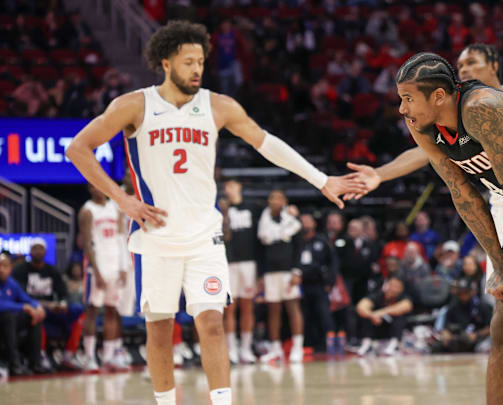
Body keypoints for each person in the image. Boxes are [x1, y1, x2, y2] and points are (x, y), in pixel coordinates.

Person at [65, 21, 363, 405]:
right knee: (159, 330)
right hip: (156, 237)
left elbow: (266, 143)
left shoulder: (218, 105)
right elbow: (78, 149)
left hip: (205, 236)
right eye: (188, 61)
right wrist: (122, 200)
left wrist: (321, 180)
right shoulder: (134, 105)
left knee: (212, 323)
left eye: (201, 62)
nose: (197, 69)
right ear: (165, 63)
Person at [343, 43, 503, 405]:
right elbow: (432, 156)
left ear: (494, 64)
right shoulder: (443, 117)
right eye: (458, 63)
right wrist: (380, 175)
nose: (464, 67)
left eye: (472, 60)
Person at [79, 183, 130, 371]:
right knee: (93, 310)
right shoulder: (87, 211)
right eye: (95, 187)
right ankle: (89, 357)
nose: (99, 189)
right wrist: (96, 270)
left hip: (115, 266)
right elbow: (87, 244)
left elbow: (121, 238)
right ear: (91, 189)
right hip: (98, 268)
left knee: (112, 311)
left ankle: (108, 357)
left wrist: (124, 266)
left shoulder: (114, 208)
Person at [12, 238, 81, 374]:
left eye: (40, 248)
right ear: (30, 251)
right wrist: (44, 304)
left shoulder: (52, 271)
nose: (38, 251)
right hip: (33, 308)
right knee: (39, 312)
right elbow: (20, 295)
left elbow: (63, 293)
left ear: (45, 251)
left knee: (78, 310)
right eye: (35, 248)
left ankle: (69, 355)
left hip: (53, 309)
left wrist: (63, 304)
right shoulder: (20, 270)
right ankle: (41, 354)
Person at [256, 190, 304, 363]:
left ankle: (298, 347)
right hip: (270, 272)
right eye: (272, 198)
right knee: (273, 311)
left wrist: (297, 271)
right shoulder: (262, 221)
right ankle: (276, 349)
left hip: (288, 271)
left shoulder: (293, 222)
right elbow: (260, 250)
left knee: (293, 308)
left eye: (278, 198)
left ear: (284, 201)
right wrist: (260, 275)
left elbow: (299, 247)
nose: (275, 201)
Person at [220, 179, 261, 364]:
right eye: (227, 187)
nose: (230, 189)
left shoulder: (253, 208)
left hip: (249, 263)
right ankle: (231, 349)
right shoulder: (221, 210)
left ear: (240, 187)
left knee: (247, 307)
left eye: (233, 185)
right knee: (229, 308)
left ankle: (246, 348)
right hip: (228, 262)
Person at [0, 252, 47, 376]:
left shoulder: (11, 284)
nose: (1, 270)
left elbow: (26, 299)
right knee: (8, 317)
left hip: (11, 321)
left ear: (10, 268)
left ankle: (35, 362)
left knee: (33, 316)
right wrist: (23, 307)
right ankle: (14, 364)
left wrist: (37, 306)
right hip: (4, 320)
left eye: (5, 266)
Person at [298, 213, 337, 353]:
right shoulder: (298, 241)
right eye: (302, 221)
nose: (305, 224)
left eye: (308, 220)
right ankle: (308, 344)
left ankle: (329, 343)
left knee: (323, 314)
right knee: (305, 315)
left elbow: (333, 262)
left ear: (314, 223)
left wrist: (330, 282)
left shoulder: (322, 240)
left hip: (320, 284)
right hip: (302, 285)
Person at [355, 276, 413, 356]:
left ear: (401, 289)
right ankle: (367, 344)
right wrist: (372, 315)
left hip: (395, 330)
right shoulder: (377, 295)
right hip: (377, 327)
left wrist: (379, 313)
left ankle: (395, 345)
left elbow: (405, 306)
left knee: (399, 316)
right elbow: (361, 307)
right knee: (365, 316)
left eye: (396, 286)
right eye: (391, 285)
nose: (393, 289)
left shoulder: (404, 297)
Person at [432, 277, 492, 353]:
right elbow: (445, 327)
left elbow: (491, 328)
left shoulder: (483, 306)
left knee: (482, 348)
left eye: (465, 292)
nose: (463, 295)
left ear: (472, 292)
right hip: (458, 339)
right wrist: (446, 334)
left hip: (478, 339)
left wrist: (476, 335)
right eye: (460, 292)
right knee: (436, 347)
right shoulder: (453, 307)